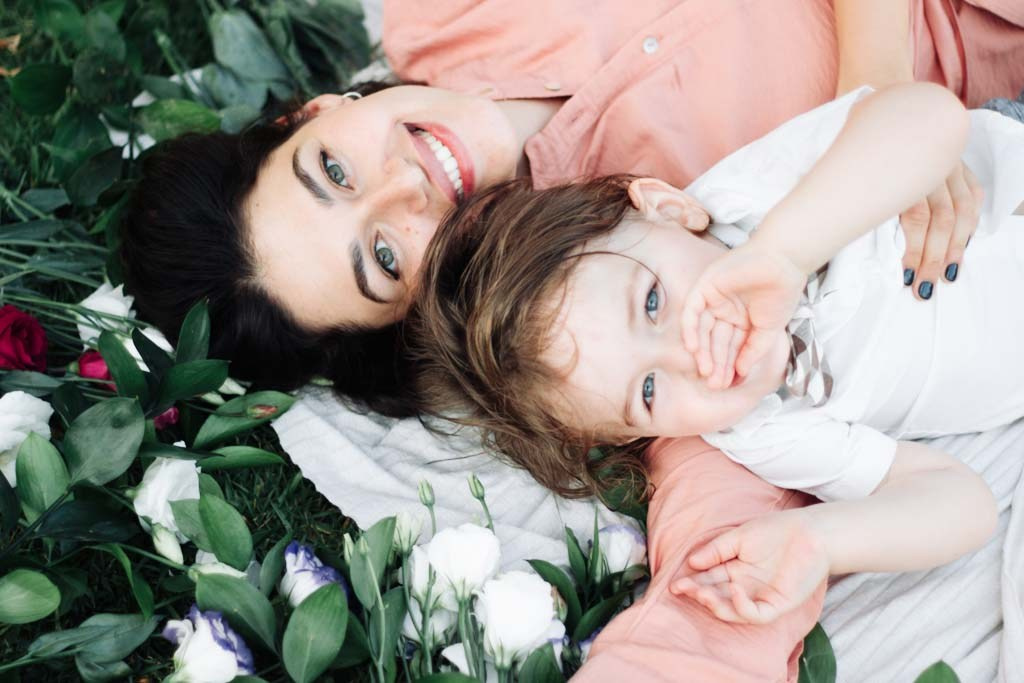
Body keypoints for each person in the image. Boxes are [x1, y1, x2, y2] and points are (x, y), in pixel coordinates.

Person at [118, 1, 1024, 414]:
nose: (405, 186)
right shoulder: (630, 264)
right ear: (418, 313)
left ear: (309, 113)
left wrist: (868, 91)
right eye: (385, 257)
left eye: (334, 171)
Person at [406, 83, 1019, 625]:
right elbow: (962, 503)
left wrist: (784, 253)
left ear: (671, 211)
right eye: (648, 391)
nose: (689, 356)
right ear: (633, 436)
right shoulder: (756, 427)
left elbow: (932, 118)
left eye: (651, 302)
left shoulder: (751, 203)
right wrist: (821, 539)